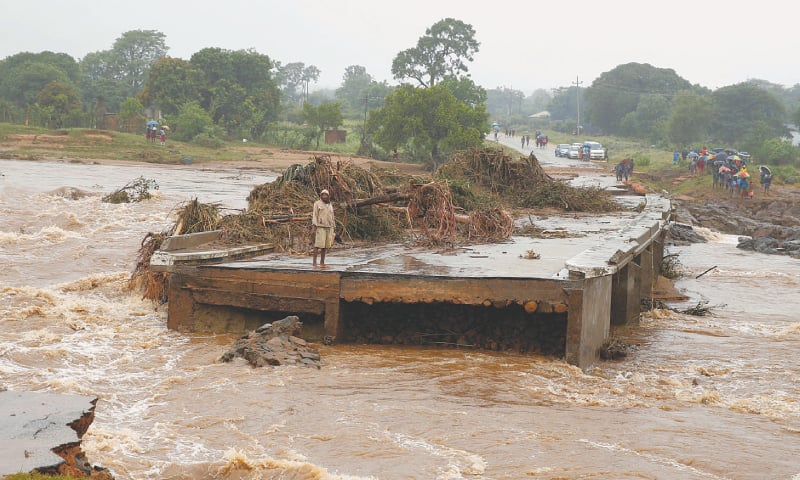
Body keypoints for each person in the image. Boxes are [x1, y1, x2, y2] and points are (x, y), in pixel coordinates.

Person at [312, 189, 335, 268]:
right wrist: (314, 226)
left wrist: (333, 227)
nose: (324, 196)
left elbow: (332, 216)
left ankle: (322, 262)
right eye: (323, 195)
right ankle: (314, 262)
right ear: (321, 196)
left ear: (328, 196)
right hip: (320, 227)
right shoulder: (317, 204)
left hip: (329, 227)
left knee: (325, 246)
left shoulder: (330, 204)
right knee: (318, 245)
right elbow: (315, 215)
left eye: (326, 195)